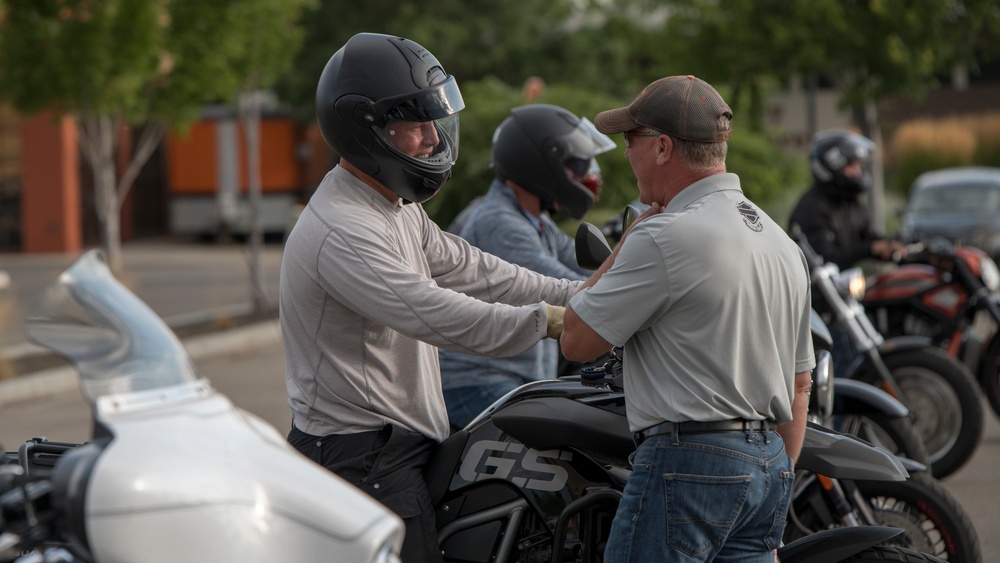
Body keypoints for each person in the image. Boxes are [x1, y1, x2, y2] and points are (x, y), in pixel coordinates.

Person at [279, 33, 579, 563]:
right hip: (363, 459)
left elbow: (472, 268)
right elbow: (435, 312)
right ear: (364, 129)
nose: (431, 139)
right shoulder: (342, 228)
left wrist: (578, 293)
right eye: (413, 125)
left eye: (432, 122)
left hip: (400, 441)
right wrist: (553, 321)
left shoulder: (389, 203)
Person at [560, 75, 815, 562]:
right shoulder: (782, 244)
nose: (626, 154)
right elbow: (800, 385)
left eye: (630, 141)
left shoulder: (662, 236)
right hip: (770, 463)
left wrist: (628, 238)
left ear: (661, 147)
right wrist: (773, 473)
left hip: (687, 458)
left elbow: (575, 340)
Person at [439, 104, 616, 429]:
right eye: (574, 165)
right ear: (539, 162)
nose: (584, 174)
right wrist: (626, 295)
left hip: (517, 379)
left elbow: (588, 270)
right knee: (563, 440)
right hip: (478, 381)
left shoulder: (535, 221)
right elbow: (561, 284)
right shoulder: (498, 221)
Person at [789, 129, 908, 270]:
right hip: (816, 290)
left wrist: (893, 246)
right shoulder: (812, 209)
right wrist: (869, 249)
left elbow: (870, 238)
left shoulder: (850, 203)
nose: (858, 172)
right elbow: (826, 259)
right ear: (831, 167)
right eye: (850, 166)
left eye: (858, 165)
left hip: (845, 287)